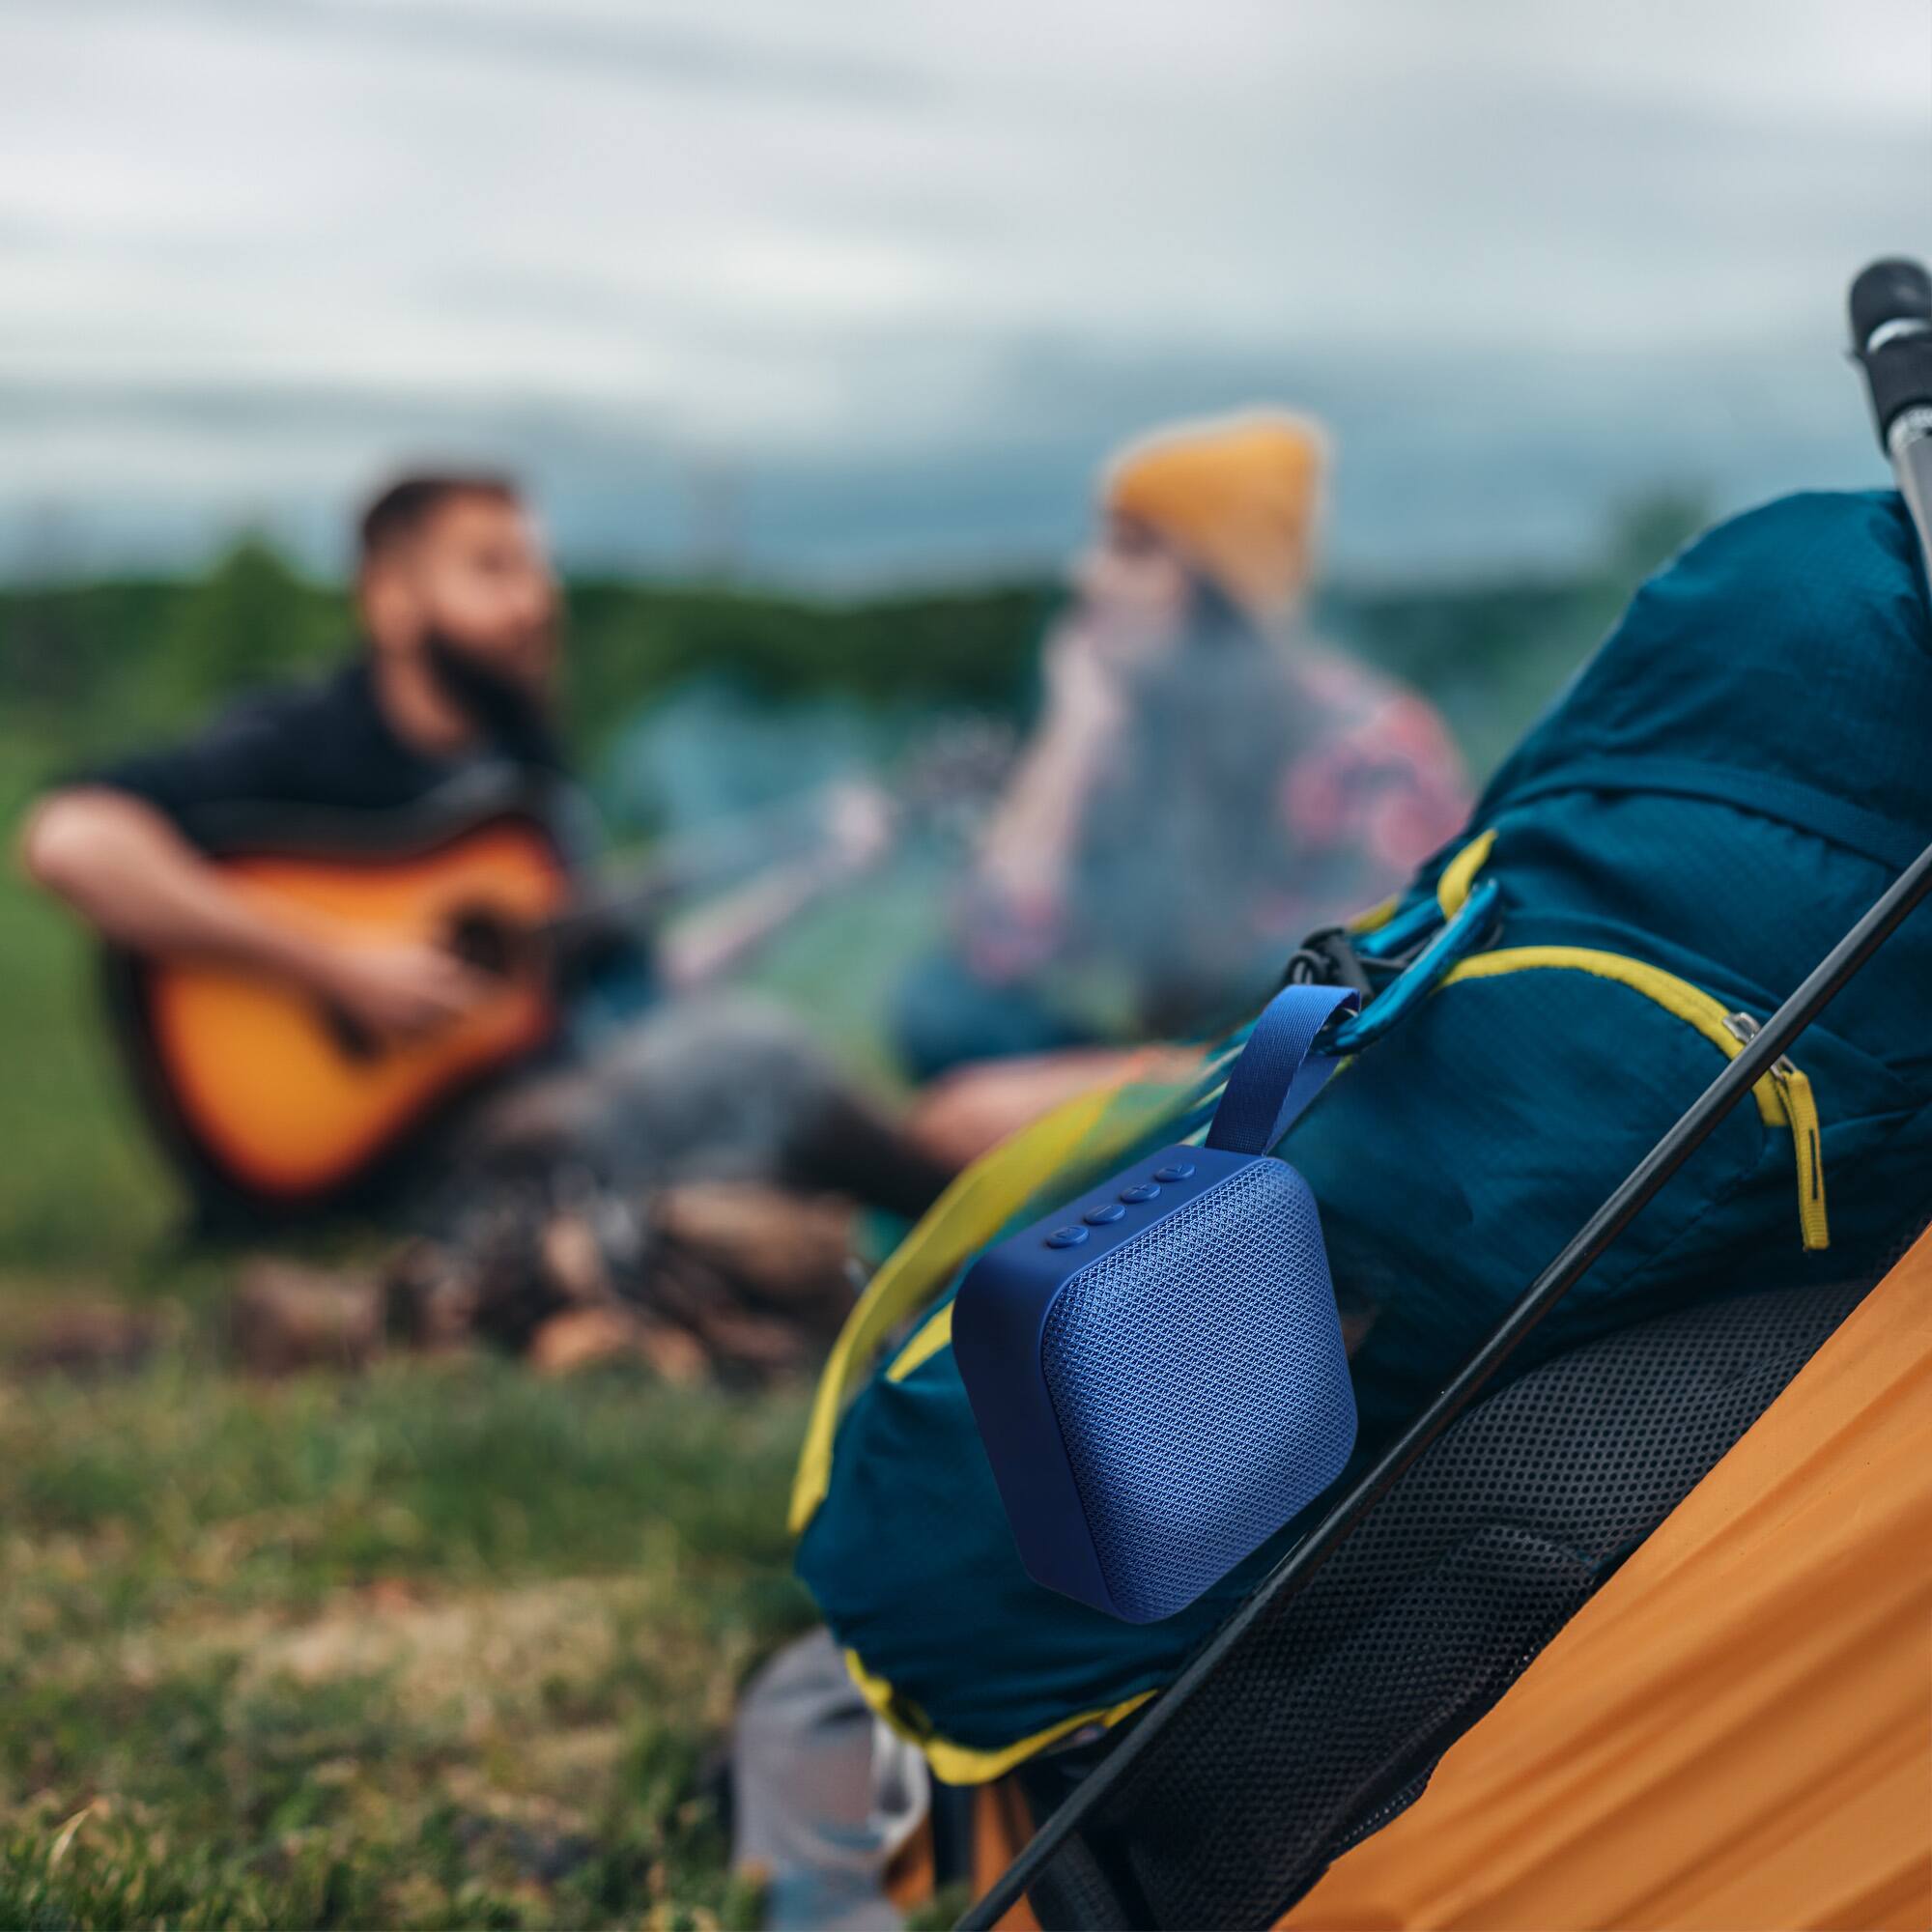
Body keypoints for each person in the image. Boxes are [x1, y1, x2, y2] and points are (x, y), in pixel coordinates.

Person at [20, 471, 953, 1225]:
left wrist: (805, 883)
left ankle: (968, 1239)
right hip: (390, 1157)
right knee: (758, 1060)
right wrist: (338, 968)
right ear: (391, 600)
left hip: (527, 1116)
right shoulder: (310, 741)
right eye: (493, 569)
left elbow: (634, 983)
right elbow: (70, 842)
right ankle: (982, 1239)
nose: (535, 600)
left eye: (536, 570)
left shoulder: (528, 786)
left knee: (726, 1071)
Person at [898, 412, 1469, 1167]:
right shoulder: (1137, 738)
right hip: (1171, 1063)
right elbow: (990, 956)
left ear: (1217, 587)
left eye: (1134, 549)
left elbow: (1364, 1013)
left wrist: (1120, 1085)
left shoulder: (1366, 745)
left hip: (1300, 1090)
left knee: (966, 1113)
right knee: (944, 1011)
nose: (1089, 575)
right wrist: (1073, 731)